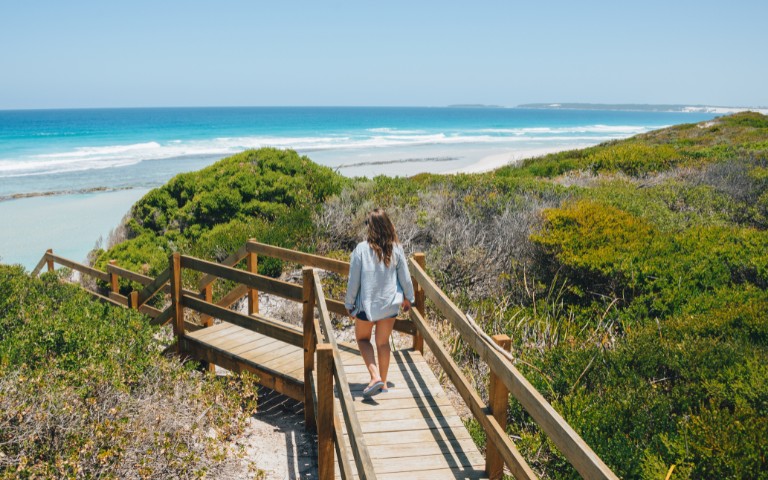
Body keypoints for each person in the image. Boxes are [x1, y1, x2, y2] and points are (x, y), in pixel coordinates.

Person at [345, 209, 415, 398]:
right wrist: (409, 298)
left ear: (371, 228)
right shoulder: (396, 249)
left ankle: (375, 376)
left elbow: (354, 281)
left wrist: (349, 304)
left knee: (362, 340)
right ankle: (383, 384)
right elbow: (406, 279)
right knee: (383, 343)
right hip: (389, 305)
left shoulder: (361, 250)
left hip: (367, 306)